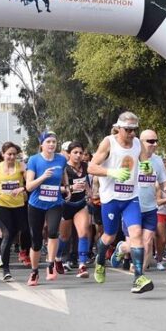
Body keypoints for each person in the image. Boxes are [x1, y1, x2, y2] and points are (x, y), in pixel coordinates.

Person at [88, 112, 154, 294]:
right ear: (118, 128)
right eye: (128, 130)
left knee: (137, 234)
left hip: (131, 197)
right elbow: (91, 167)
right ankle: (100, 261)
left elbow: (145, 162)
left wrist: (147, 167)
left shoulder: (138, 144)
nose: (132, 134)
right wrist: (113, 172)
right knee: (109, 235)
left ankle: (138, 277)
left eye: (135, 130)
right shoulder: (109, 142)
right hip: (111, 197)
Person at [111, 129, 166, 272]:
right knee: (133, 245)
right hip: (132, 206)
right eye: (150, 141)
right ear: (140, 142)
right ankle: (122, 248)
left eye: (156, 141)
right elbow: (117, 179)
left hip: (150, 208)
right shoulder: (130, 158)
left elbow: (163, 183)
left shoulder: (158, 160)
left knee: (148, 242)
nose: (154, 144)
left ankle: (140, 273)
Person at [25, 131, 69, 285]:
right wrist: (43, 177)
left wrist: (67, 187)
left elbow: (63, 173)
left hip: (54, 203)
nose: (51, 144)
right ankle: (34, 271)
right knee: (36, 240)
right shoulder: (34, 160)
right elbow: (29, 187)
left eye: (54, 142)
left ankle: (51, 265)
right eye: (48, 142)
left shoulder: (61, 159)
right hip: (36, 204)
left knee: (52, 232)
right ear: (41, 144)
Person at [0, 143, 29, 281]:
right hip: (2, 204)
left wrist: (23, 188)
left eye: (14, 154)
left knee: (23, 230)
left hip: (19, 205)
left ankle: (3, 249)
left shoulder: (21, 166)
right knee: (7, 234)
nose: (12, 157)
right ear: (3, 154)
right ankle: (6, 269)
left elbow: (30, 182)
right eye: (9, 154)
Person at [58, 142, 91, 278]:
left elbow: (86, 182)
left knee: (83, 232)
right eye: (75, 152)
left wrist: (89, 192)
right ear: (69, 154)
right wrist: (70, 189)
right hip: (66, 205)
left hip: (81, 204)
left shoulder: (85, 166)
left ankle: (82, 265)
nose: (78, 155)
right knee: (64, 237)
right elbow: (56, 187)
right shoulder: (63, 168)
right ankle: (57, 258)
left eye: (80, 153)